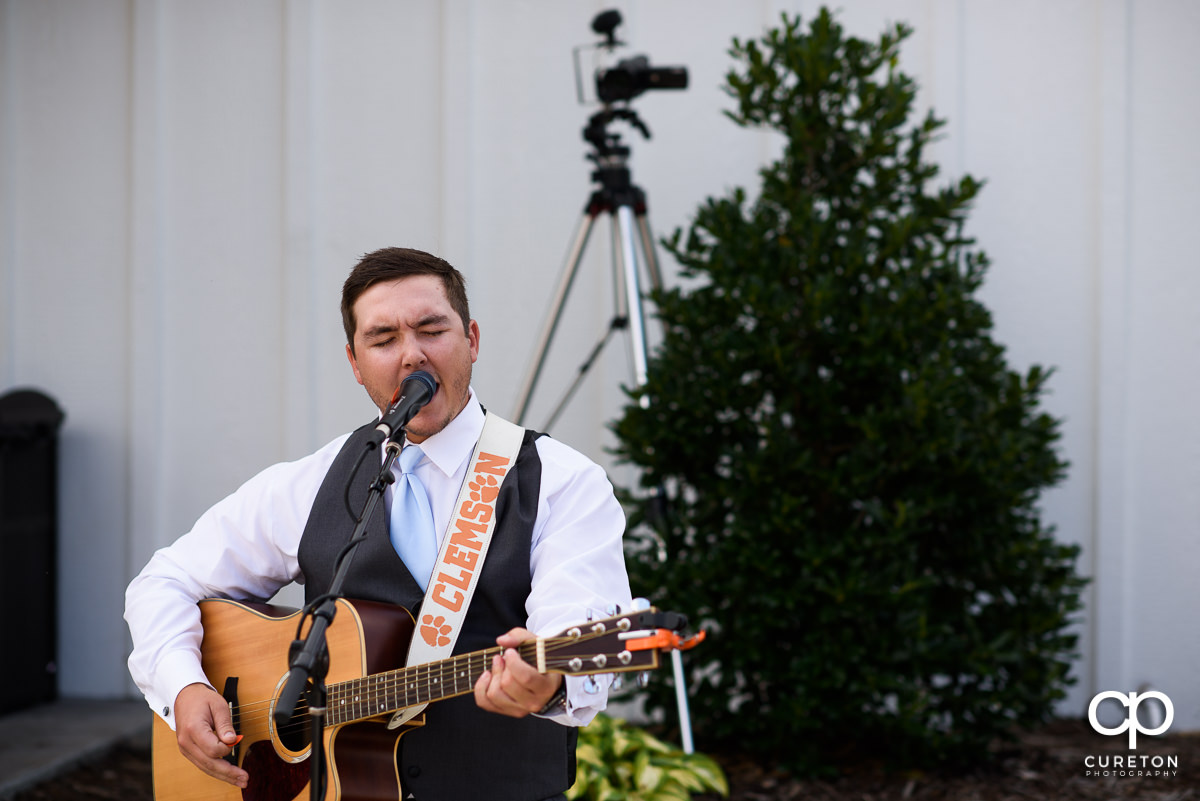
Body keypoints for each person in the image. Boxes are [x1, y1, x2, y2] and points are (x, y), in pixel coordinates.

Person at [125, 247, 632, 801]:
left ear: (473, 341)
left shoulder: (561, 482)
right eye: (384, 339)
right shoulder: (314, 480)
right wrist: (185, 686)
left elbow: (575, 624)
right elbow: (165, 581)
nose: (411, 355)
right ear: (355, 362)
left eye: (432, 329)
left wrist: (549, 675)